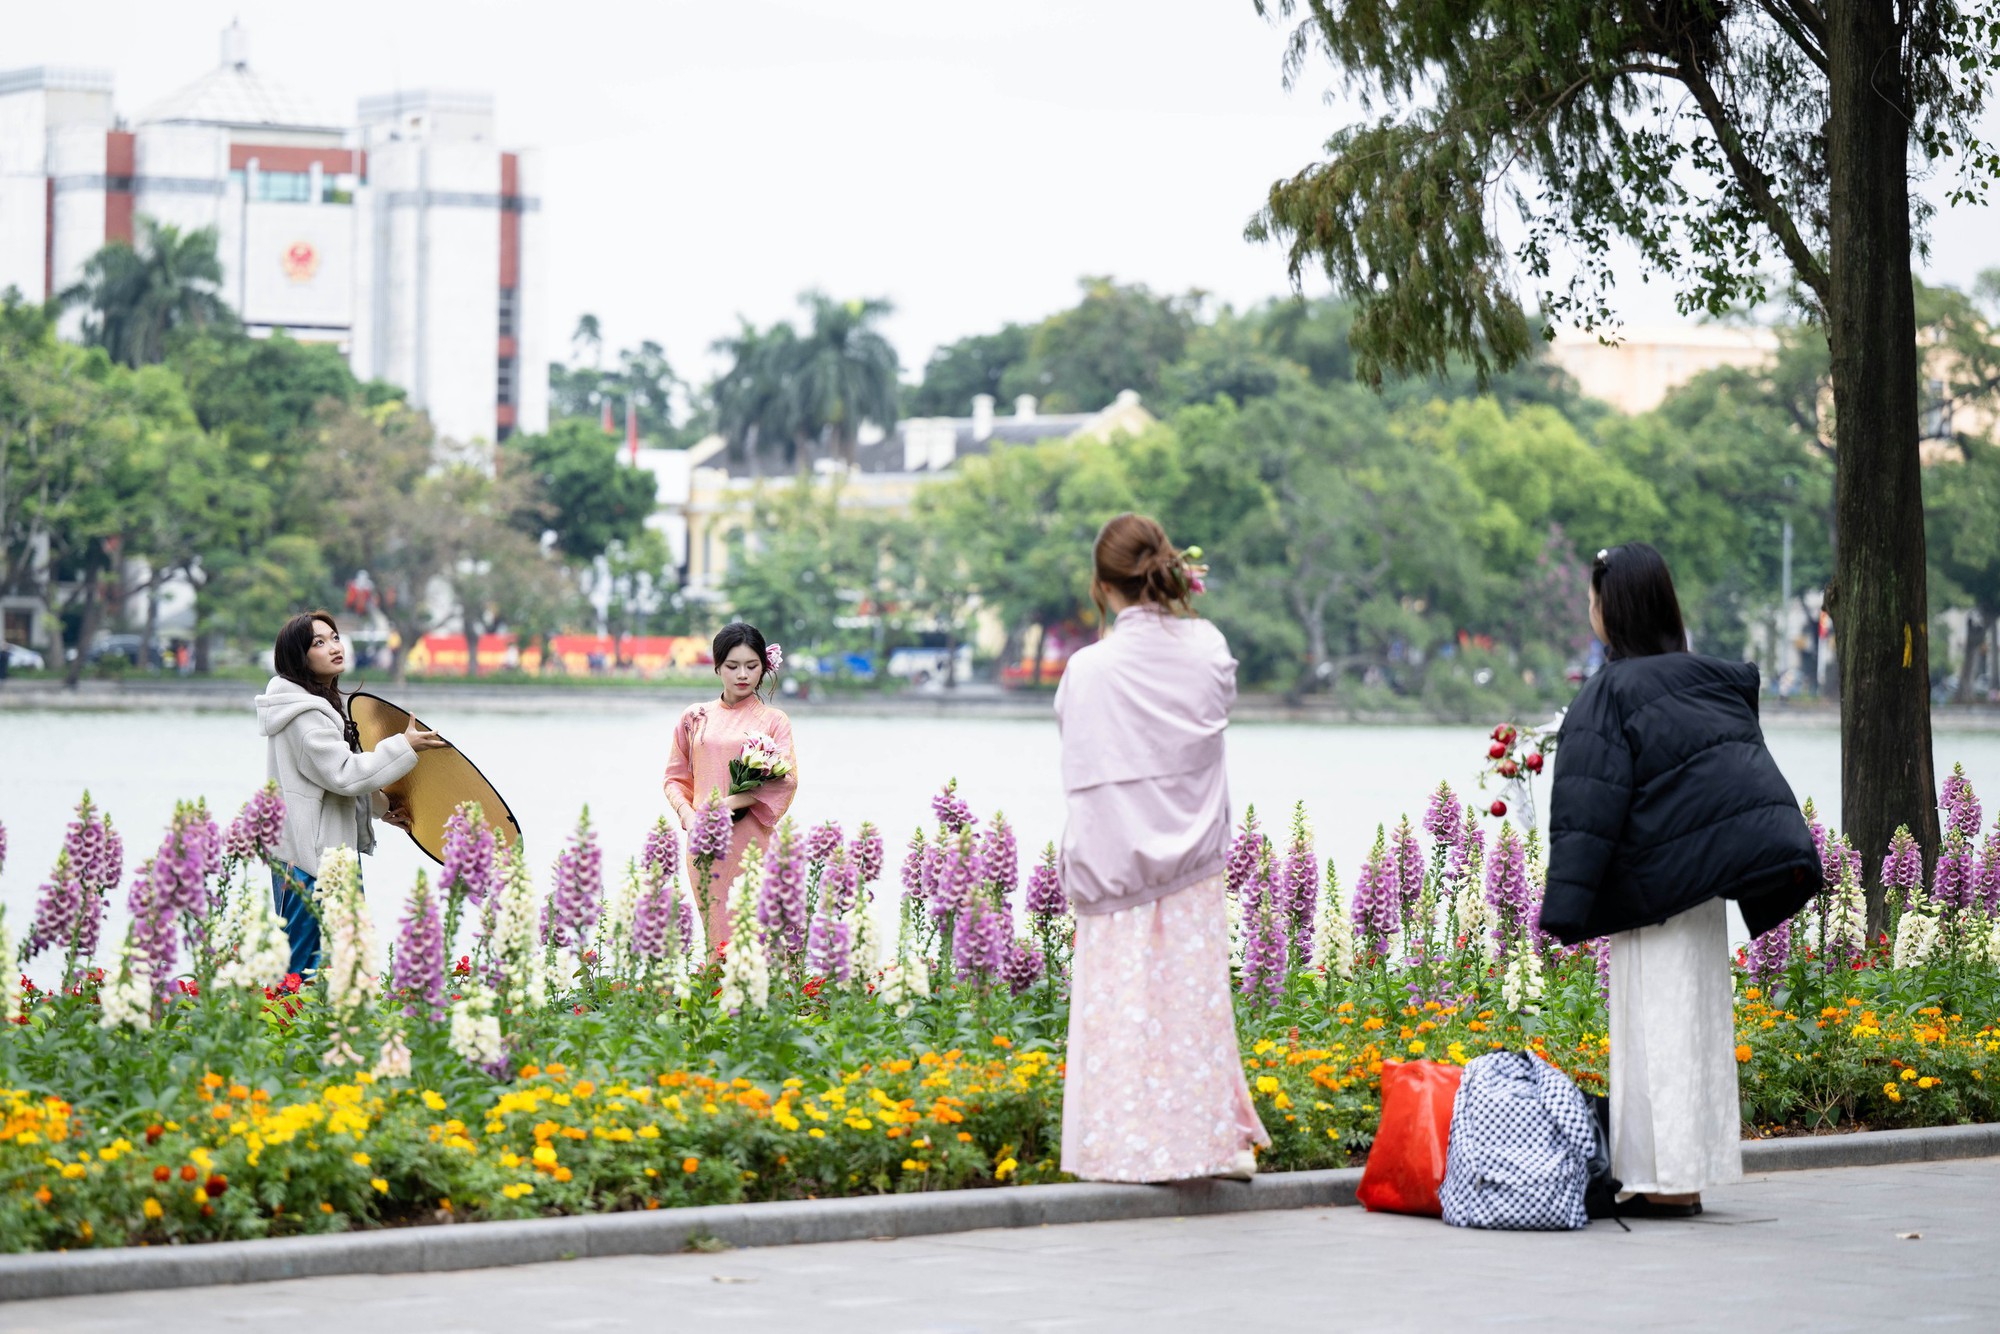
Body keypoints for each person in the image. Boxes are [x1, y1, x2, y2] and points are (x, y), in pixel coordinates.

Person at [1542, 543, 1818, 1218]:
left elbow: (1590, 804)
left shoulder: (1612, 690)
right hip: (1701, 894)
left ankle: (1663, 1181)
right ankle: (1688, 1174)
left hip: (1649, 894)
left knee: (1652, 1026)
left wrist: (1566, 905)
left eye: (1594, 600)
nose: (1590, 611)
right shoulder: (1708, 680)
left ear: (1616, 608)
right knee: (1696, 1027)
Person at [1056, 513, 1268, 1183]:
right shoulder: (1208, 647)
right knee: (1191, 1009)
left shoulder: (1089, 669)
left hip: (1115, 861)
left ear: (1101, 585)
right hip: (1194, 860)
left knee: (1120, 1012)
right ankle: (1210, 1139)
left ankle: (1120, 1144)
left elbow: (1081, 752)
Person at [256, 610, 449, 976]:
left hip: (331, 853)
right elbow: (344, 775)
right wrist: (403, 746)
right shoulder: (303, 715)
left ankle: (338, 1031)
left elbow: (339, 777)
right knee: (303, 965)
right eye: (319, 643)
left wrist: (382, 807)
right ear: (298, 657)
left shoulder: (324, 706)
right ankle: (285, 1031)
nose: (333, 647)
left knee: (349, 959)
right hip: (307, 857)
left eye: (334, 638)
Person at [663, 622, 798, 948]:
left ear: (763, 667)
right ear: (717, 667)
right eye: (732, 666)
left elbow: (787, 780)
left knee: (762, 942)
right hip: (705, 843)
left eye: (751, 666)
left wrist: (727, 805)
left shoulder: (773, 720)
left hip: (752, 846)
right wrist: (690, 816)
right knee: (718, 941)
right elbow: (674, 778)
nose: (742, 675)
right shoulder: (695, 717)